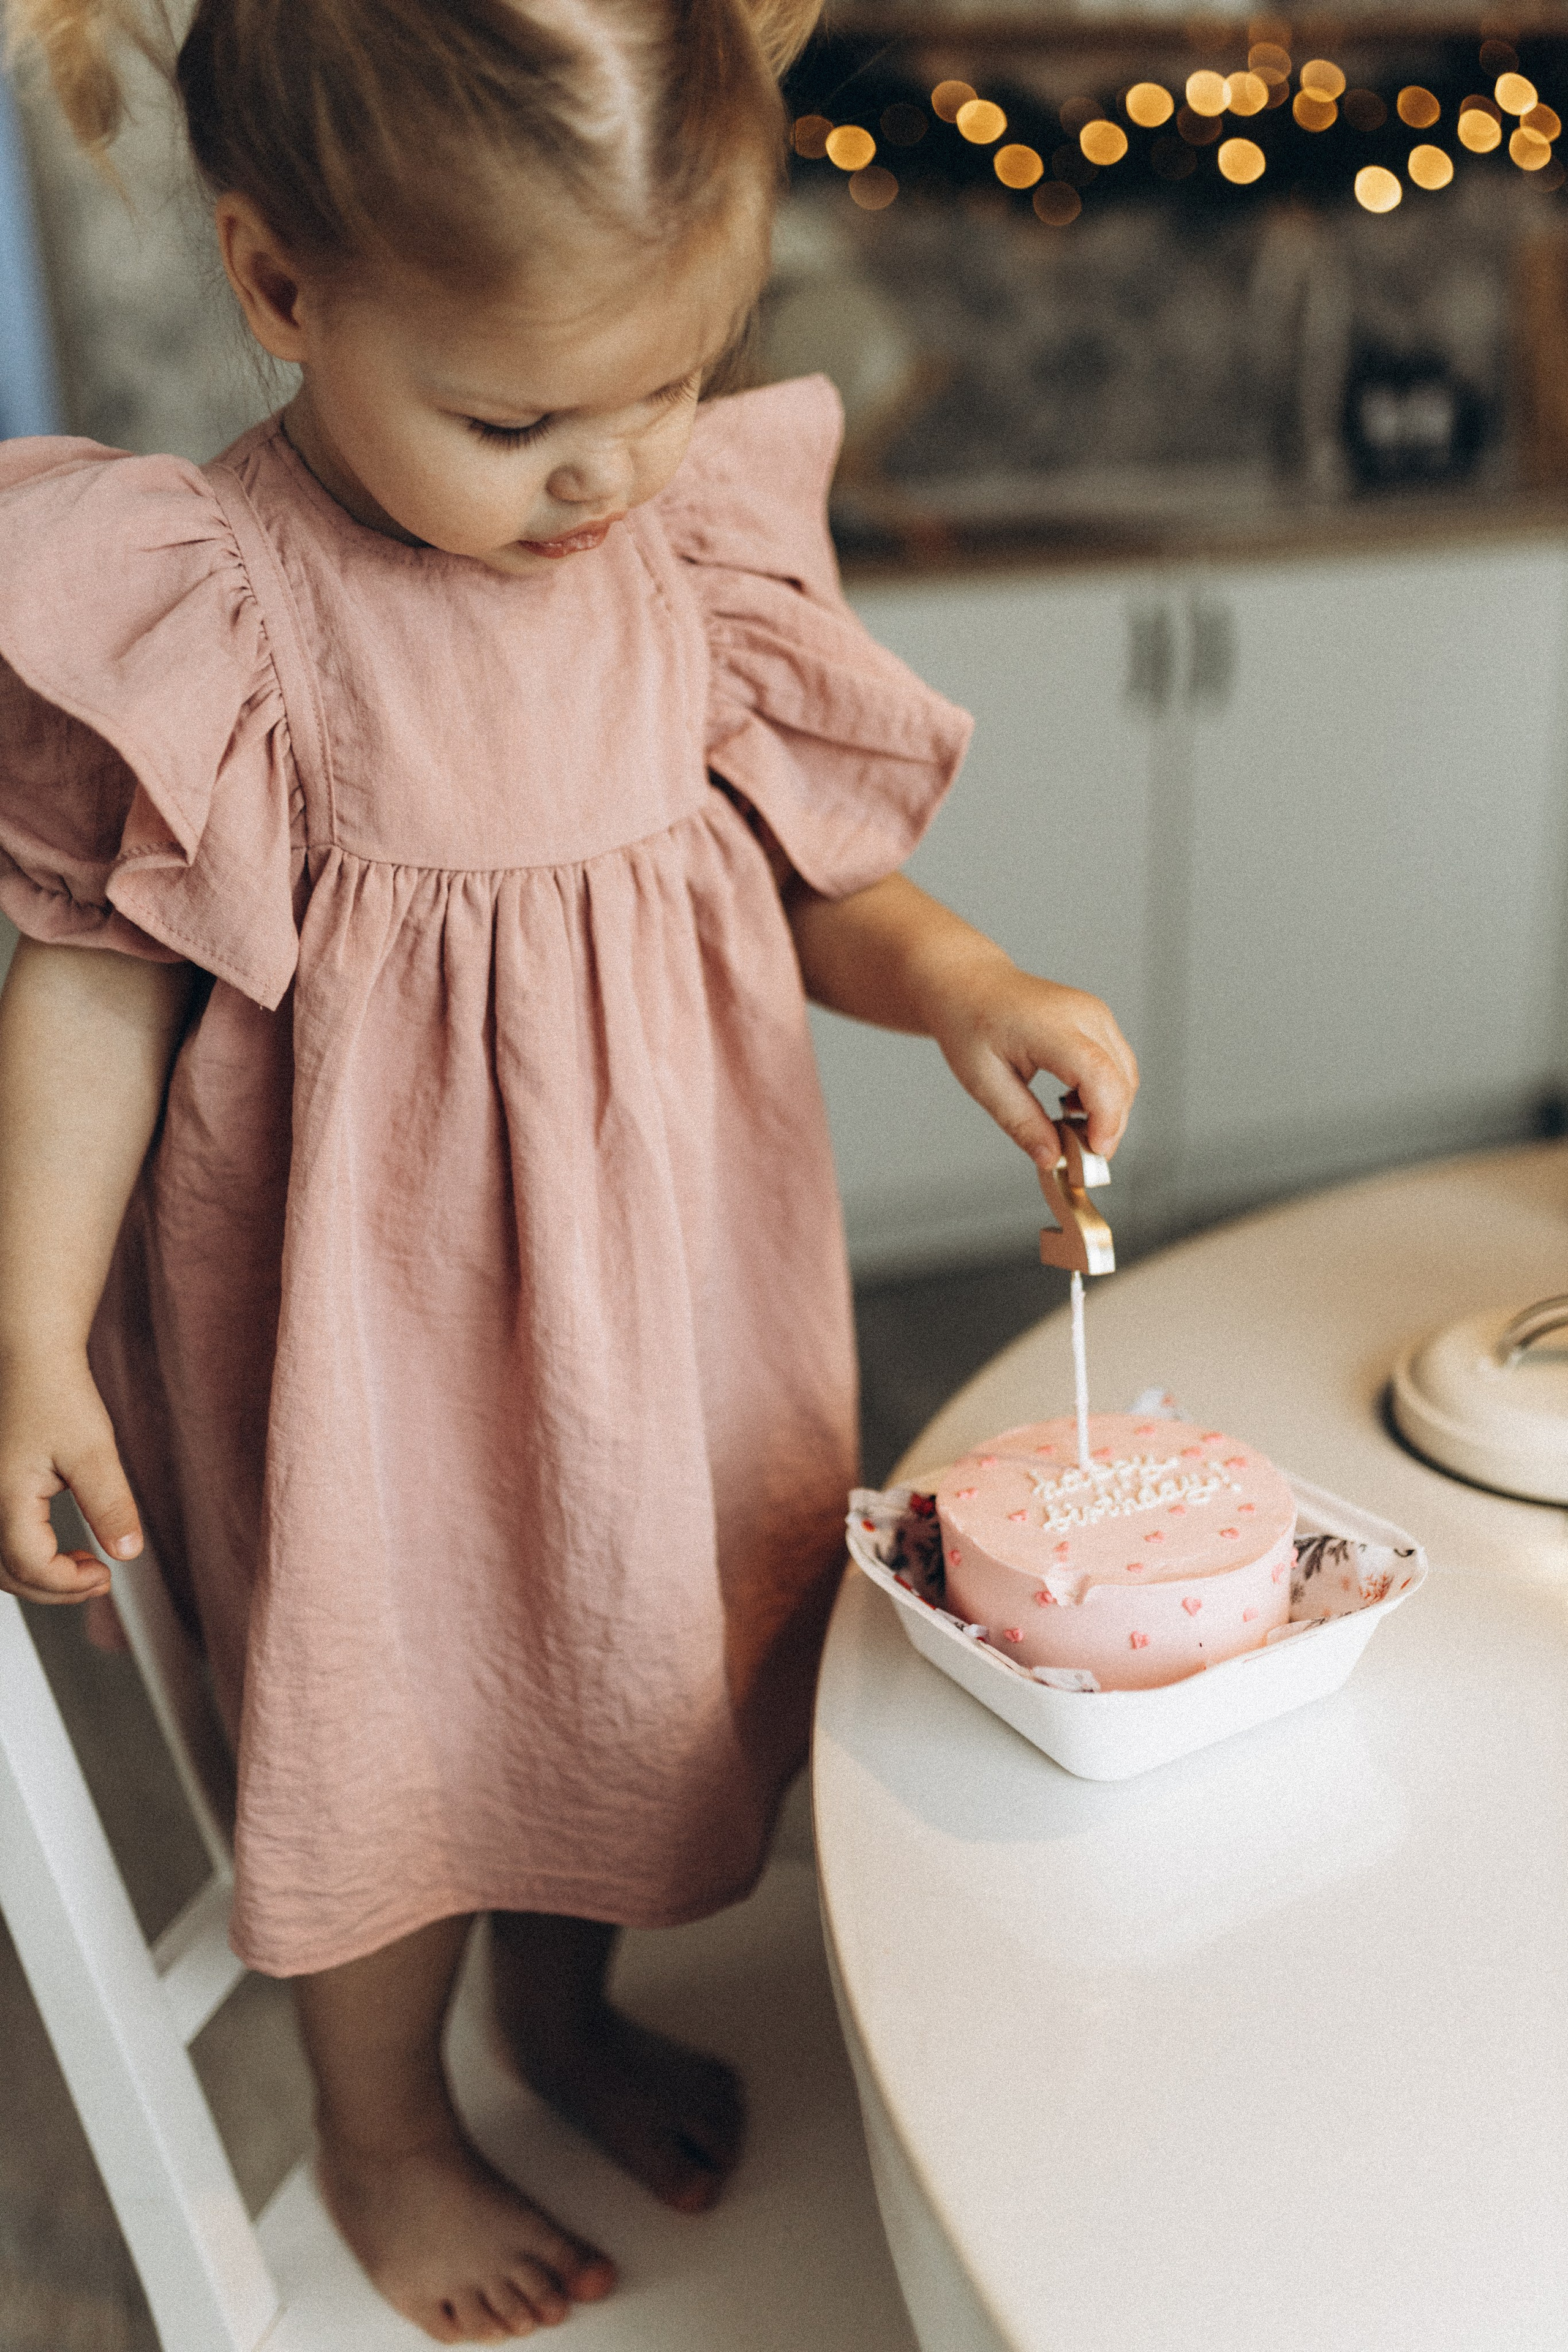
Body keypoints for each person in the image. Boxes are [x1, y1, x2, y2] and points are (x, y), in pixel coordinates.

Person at [0, 0, 1139, 2336]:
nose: (604, 472)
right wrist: (26, 1324)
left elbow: (794, 879)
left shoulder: (678, 555)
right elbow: (96, 983)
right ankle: (386, 2126)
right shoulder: (225, 602)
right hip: (367, 1341)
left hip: (666, 1301)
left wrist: (967, 982)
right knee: (391, 1721)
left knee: (624, 1675)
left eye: (670, 384)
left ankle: (565, 2012)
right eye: (516, 422)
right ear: (282, 282)